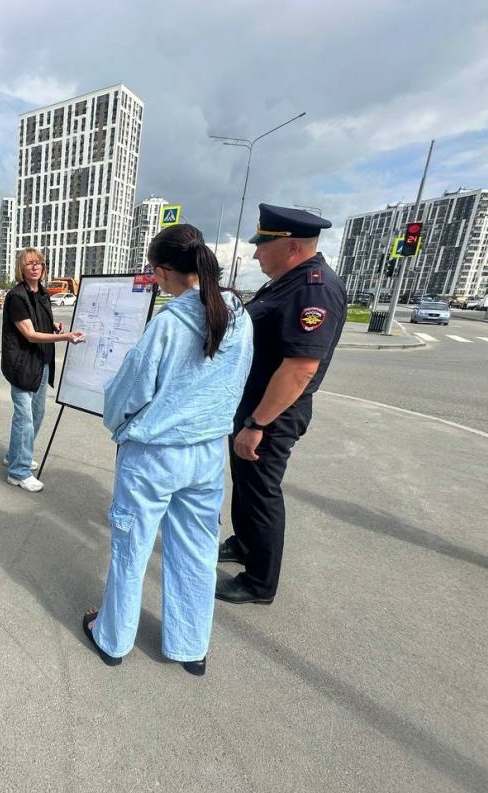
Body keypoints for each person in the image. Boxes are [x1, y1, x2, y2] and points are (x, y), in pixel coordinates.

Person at [82, 225, 253, 673]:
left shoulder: (169, 323)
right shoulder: (238, 313)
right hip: (207, 452)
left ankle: (113, 637)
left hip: (155, 454)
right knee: (196, 551)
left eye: (156, 274)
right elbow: (240, 379)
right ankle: (190, 646)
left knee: (131, 548)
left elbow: (128, 392)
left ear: (162, 271)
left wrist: (117, 426)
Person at [216, 204, 346, 605]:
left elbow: (300, 368)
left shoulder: (313, 288)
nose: (256, 254)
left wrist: (257, 423)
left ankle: (259, 582)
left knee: (261, 491)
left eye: (262, 246)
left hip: (271, 414)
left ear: (290, 246)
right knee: (246, 484)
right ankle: (245, 543)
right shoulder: (287, 282)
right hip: (254, 406)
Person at [0, 247, 85, 492]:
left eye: (38, 263)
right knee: (25, 419)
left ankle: (15, 456)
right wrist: (66, 337)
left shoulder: (42, 293)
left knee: (35, 416)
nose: (35, 267)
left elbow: (39, 323)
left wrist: (54, 325)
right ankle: (18, 472)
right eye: (29, 263)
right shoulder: (17, 296)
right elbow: (29, 334)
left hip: (42, 363)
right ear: (21, 268)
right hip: (23, 365)